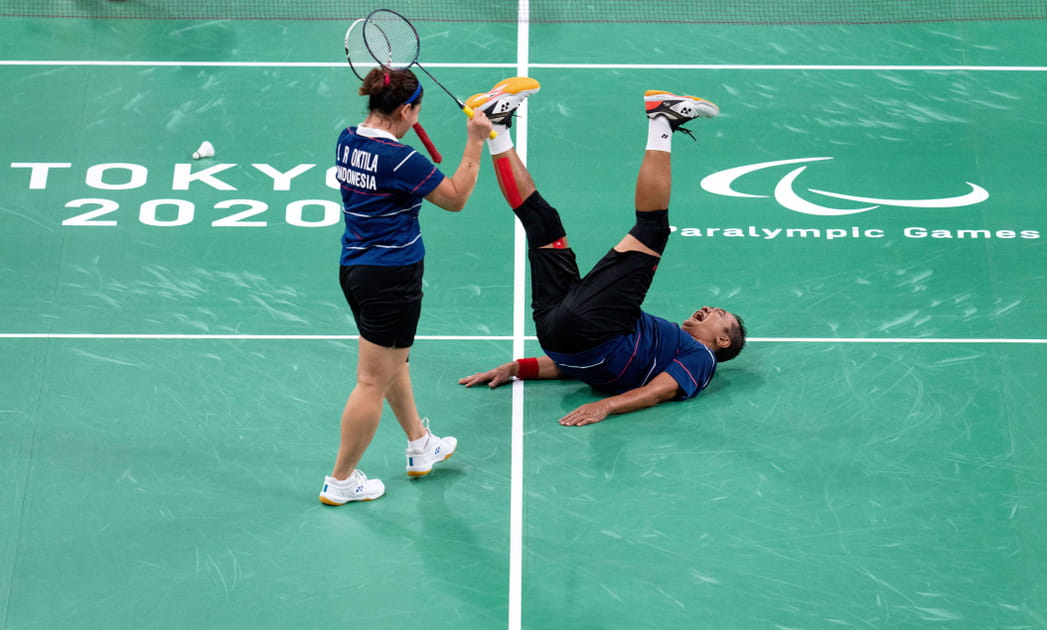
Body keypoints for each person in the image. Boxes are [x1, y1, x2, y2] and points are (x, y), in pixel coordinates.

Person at [458, 79, 747, 426]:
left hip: (593, 330)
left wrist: (607, 406)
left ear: (723, 340)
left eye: (720, 314)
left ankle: (662, 120)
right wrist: (517, 368)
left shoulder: (701, 357)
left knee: (652, 230)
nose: (710, 308)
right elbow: (579, 362)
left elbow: (659, 391)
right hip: (558, 333)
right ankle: (497, 127)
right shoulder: (664, 342)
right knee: (543, 223)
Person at [319, 68, 493, 505]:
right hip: (391, 277)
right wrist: (475, 140)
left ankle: (420, 444)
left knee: (395, 361)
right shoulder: (402, 161)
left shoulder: (347, 139)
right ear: (405, 109)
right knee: (371, 381)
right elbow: (455, 197)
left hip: (356, 268)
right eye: (417, 110)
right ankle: (341, 480)